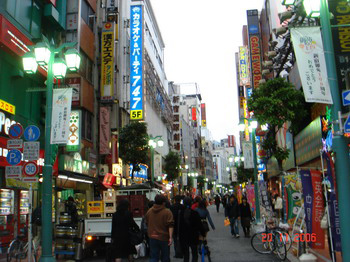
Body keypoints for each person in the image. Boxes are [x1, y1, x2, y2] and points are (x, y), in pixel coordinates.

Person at [145, 194, 174, 262]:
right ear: (163, 202)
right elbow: (170, 225)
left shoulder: (149, 211)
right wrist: (170, 237)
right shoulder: (167, 212)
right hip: (164, 237)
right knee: (165, 257)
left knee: (153, 257)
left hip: (152, 236)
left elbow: (147, 223)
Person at [179, 197, 206, 262]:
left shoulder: (180, 213)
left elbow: (178, 225)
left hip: (183, 236)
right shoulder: (195, 213)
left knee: (186, 255)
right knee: (194, 253)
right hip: (193, 236)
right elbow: (200, 225)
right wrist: (203, 234)